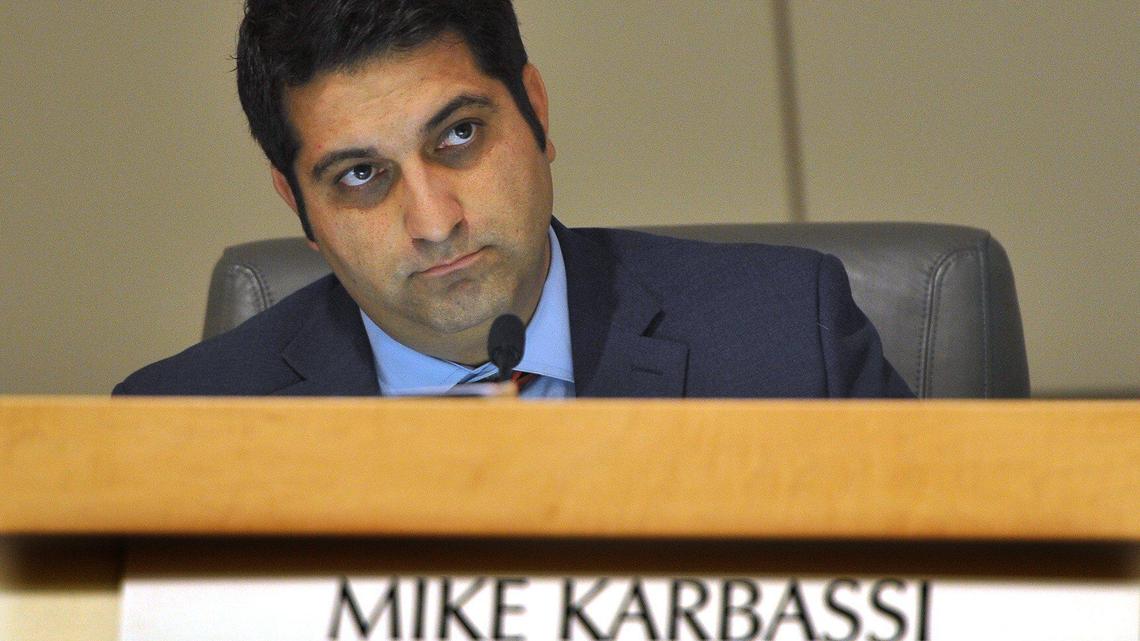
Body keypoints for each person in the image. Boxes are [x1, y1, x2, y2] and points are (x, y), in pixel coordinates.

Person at [114, 0, 913, 398]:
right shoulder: (174, 421)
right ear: (299, 208)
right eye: (360, 176)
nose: (435, 223)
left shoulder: (786, 340)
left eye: (458, 136)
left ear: (536, 109)